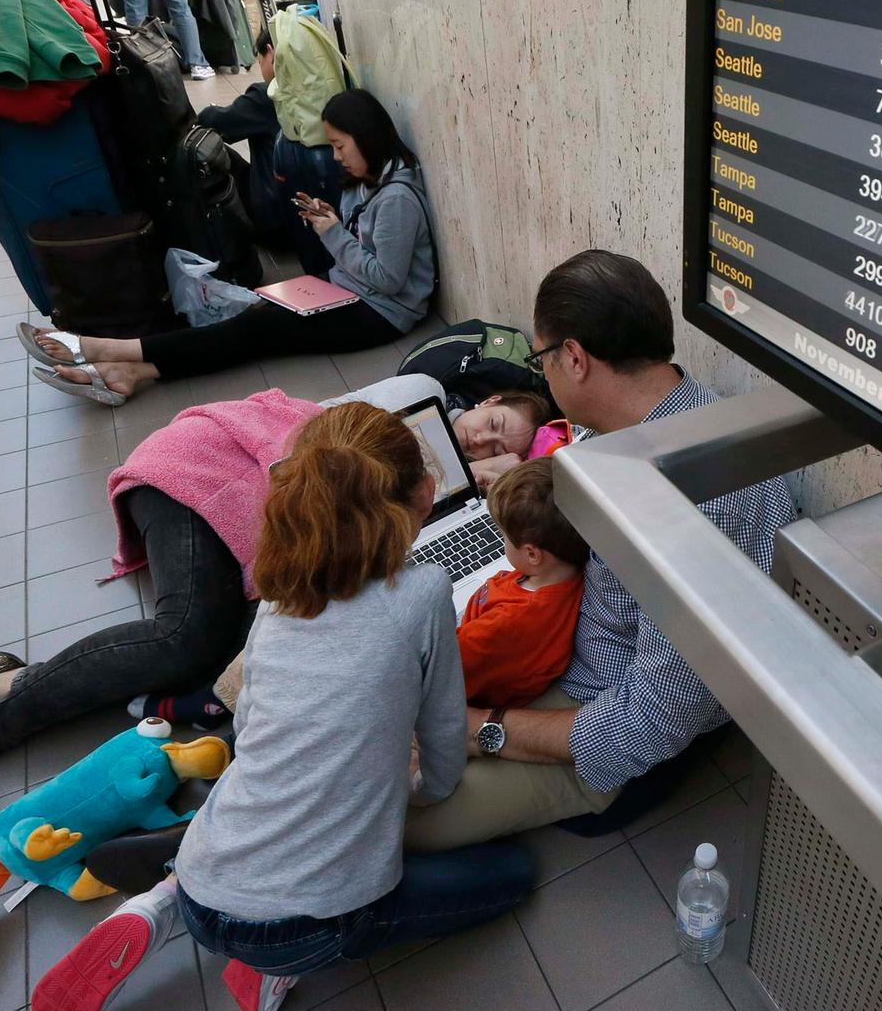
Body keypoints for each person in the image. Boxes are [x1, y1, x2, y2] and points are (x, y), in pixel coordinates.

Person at [0, 379, 546, 844]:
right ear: (477, 401)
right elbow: (297, 535)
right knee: (187, 642)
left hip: (263, 527)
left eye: (501, 447)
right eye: (488, 423)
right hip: (190, 478)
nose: (483, 440)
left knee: (218, 650)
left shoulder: (394, 482)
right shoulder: (359, 440)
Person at [32, 402, 534, 1011]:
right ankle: (268, 967)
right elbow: (445, 747)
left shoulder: (279, 597)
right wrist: (419, 790)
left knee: (249, 817)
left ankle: (162, 904)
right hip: (304, 929)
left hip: (205, 873)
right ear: (427, 495)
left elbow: (249, 729)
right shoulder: (424, 591)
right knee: (513, 874)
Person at [401, 250, 796, 853]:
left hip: (604, 715)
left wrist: (483, 731)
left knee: (387, 821)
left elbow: (649, 723)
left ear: (576, 359)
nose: (546, 376)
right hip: (565, 645)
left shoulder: (695, 505)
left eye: (542, 359)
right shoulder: (630, 423)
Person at [22, 89, 437, 405]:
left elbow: (389, 279)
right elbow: (364, 245)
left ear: (365, 138)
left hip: (382, 313)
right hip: (345, 290)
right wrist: (333, 220)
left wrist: (333, 233)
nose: (335, 156)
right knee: (256, 320)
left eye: (340, 146)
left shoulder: (397, 197)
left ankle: (107, 348)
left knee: (257, 328)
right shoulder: (369, 180)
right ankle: (135, 371)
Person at [143, 455, 588, 731]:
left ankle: (211, 704)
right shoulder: (562, 578)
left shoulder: (510, 625)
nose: (499, 542)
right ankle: (215, 700)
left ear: (533, 553)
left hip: (448, 687)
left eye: (503, 536)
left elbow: (434, 680)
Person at [197, 22, 345, 275]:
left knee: (221, 155)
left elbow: (212, 121)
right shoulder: (326, 90)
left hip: (277, 223)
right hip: (320, 217)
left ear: (271, 52)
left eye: (259, 59)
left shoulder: (267, 96)